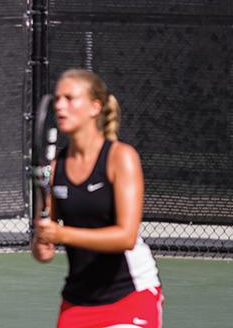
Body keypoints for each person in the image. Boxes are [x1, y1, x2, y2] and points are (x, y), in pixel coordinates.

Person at [32, 68, 163, 328]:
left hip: (131, 294)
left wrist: (61, 236)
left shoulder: (121, 158)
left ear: (95, 106)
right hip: (78, 300)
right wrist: (42, 245)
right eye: (58, 98)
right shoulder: (56, 166)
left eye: (70, 98)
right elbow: (43, 247)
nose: (60, 105)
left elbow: (125, 236)